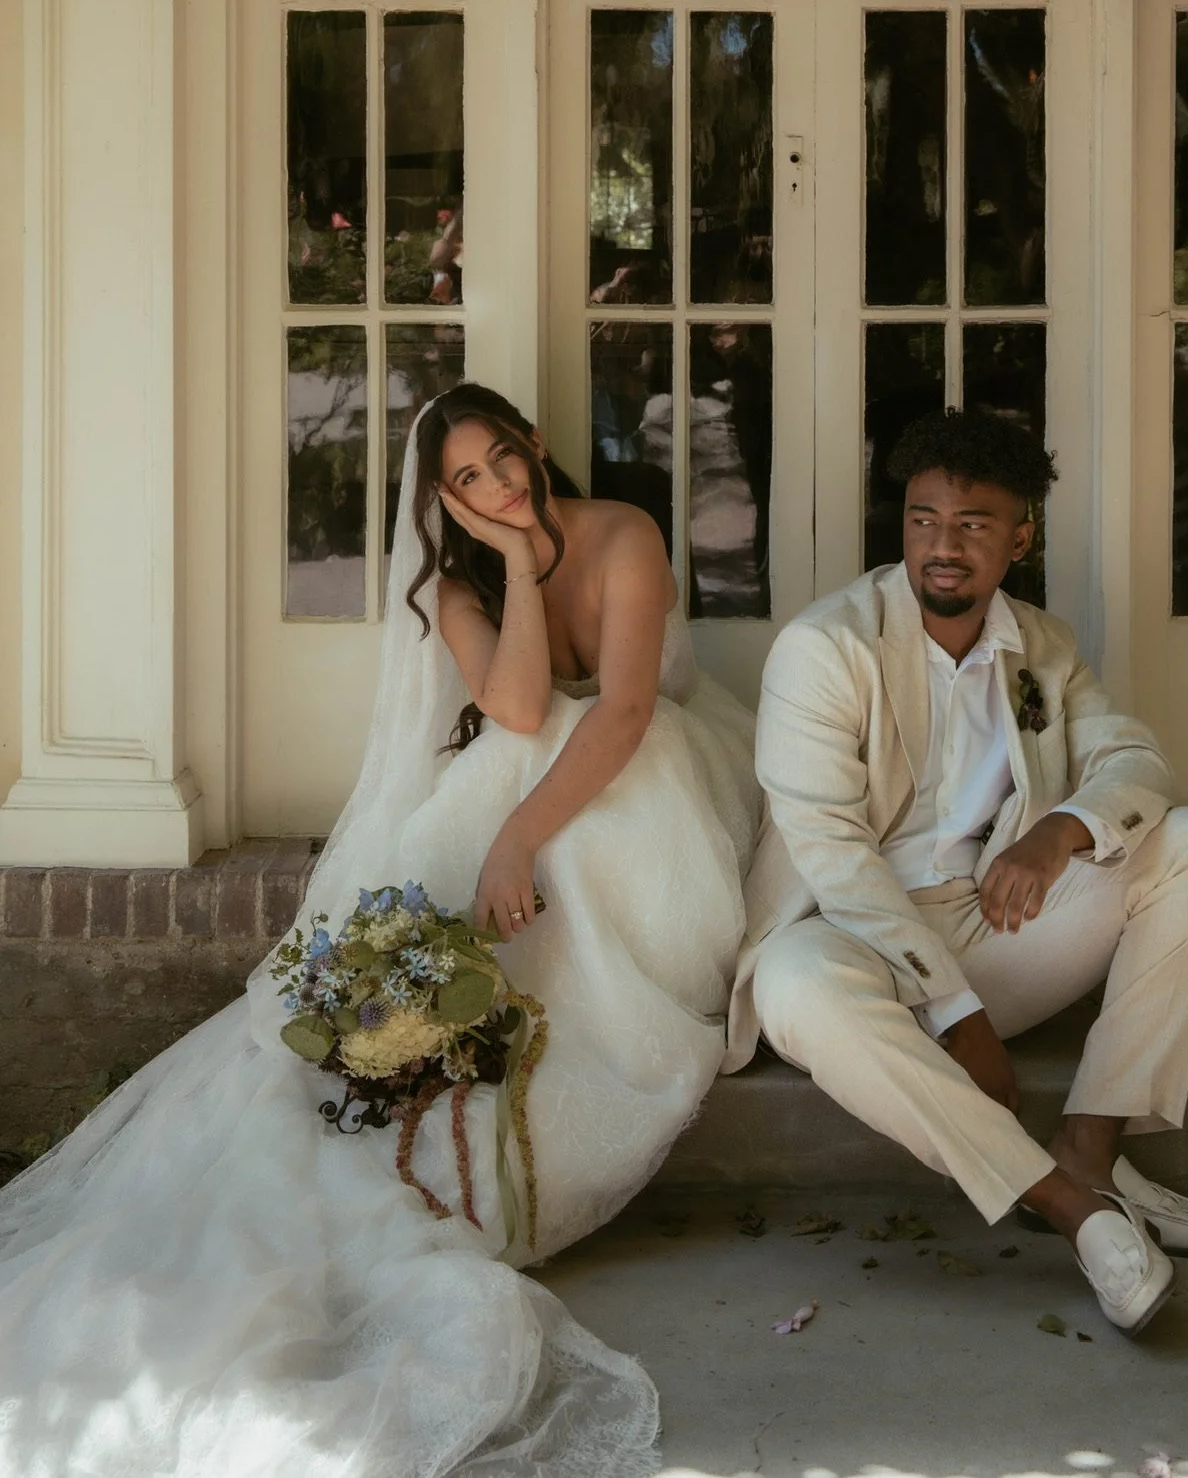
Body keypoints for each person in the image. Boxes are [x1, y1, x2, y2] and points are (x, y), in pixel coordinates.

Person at [0, 384, 758, 1477]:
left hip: (654, 772)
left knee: (570, 815)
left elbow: (627, 711)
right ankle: (441, 1015)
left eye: (504, 459)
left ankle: (578, 1020)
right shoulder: (458, 587)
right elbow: (523, 709)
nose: (498, 486)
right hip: (541, 759)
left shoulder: (621, 534)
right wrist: (513, 561)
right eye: (468, 481)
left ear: (536, 445)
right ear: (445, 501)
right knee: (502, 764)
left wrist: (518, 841)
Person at [727, 405, 1188, 1338]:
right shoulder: (826, 647)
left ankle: (1092, 1148)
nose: (943, 546)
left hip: (995, 921)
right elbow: (831, 851)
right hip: (854, 936)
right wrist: (956, 1013)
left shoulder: (1041, 650)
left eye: (973, 524)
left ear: (1020, 537)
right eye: (924, 518)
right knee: (791, 986)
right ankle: (1070, 1206)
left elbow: (1135, 761)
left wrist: (1062, 834)